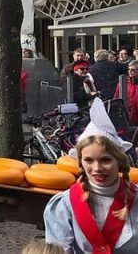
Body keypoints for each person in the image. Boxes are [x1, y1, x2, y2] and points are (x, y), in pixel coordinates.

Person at [44, 98, 138, 253]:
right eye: (88, 160)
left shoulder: (136, 200)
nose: (97, 168)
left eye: (105, 160)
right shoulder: (64, 205)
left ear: (119, 161)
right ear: (80, 162)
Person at [114, 60, 138, 125]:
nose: (130, 71)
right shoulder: (123, 83)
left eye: (132, 70)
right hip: (126, 116)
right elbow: (116, 97)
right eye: (128, 69)